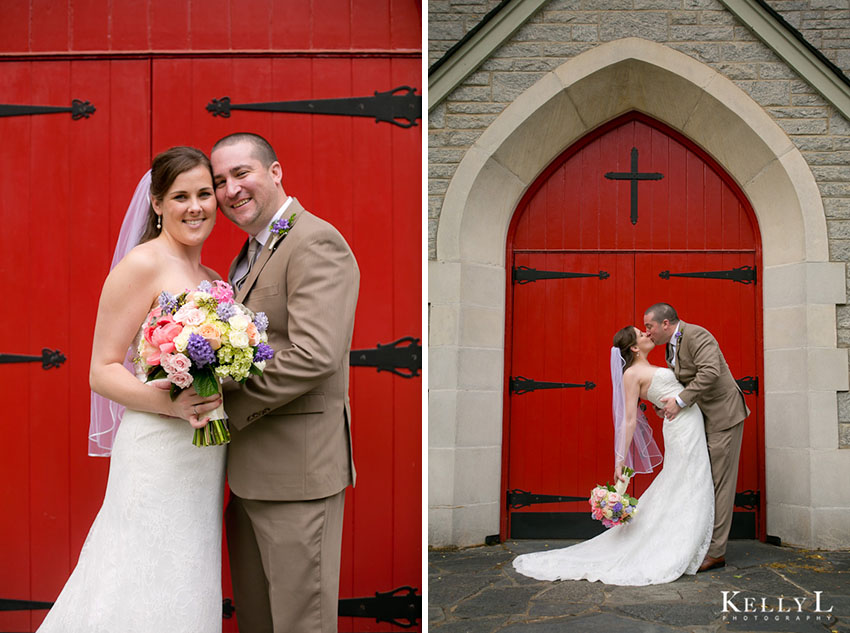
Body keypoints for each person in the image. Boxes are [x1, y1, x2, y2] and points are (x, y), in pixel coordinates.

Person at [38, 147, 227, 632]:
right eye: (180, 196)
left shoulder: (213, 281)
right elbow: (101, 369)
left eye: (204, 194)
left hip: (202, 457)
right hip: (156, 452)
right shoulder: (143, 264)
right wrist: (171, 403)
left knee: (186, 575)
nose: (196, 207)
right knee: (135, 569)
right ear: (157, 203)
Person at [211, 132, 359, 633]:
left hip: (297, 473)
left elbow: (316, 354)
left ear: (275, 173)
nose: (231, 189)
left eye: (241, 173)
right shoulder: (249, 252)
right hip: (249, 471)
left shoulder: (314, 239)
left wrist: (222, 402)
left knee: (301, 624)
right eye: (220, 181)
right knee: (260, 620)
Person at [512, 326, 714, 585]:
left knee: (689, 479)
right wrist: (621, 459)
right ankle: (676, 543)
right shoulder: (630, 374)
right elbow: (628, 419)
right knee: (687, 478)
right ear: (633, 347)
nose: (647, 335)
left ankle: (684, 538)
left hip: (687, 421)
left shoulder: (655, 364)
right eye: (642, 335)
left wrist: (662, 406)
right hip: (681, 428)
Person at [644, 302, 750, 572]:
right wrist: (664, 403)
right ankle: (699, 542)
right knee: (702, 480)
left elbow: (710, 373)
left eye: (650, 326)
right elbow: (683, 383)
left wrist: (679, 402)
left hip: (724, 416)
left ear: (666, 324)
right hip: (702, 418)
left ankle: (716, 552)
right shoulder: (670, 346)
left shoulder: (698, 335)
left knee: (719, 484)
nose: (647, 333)